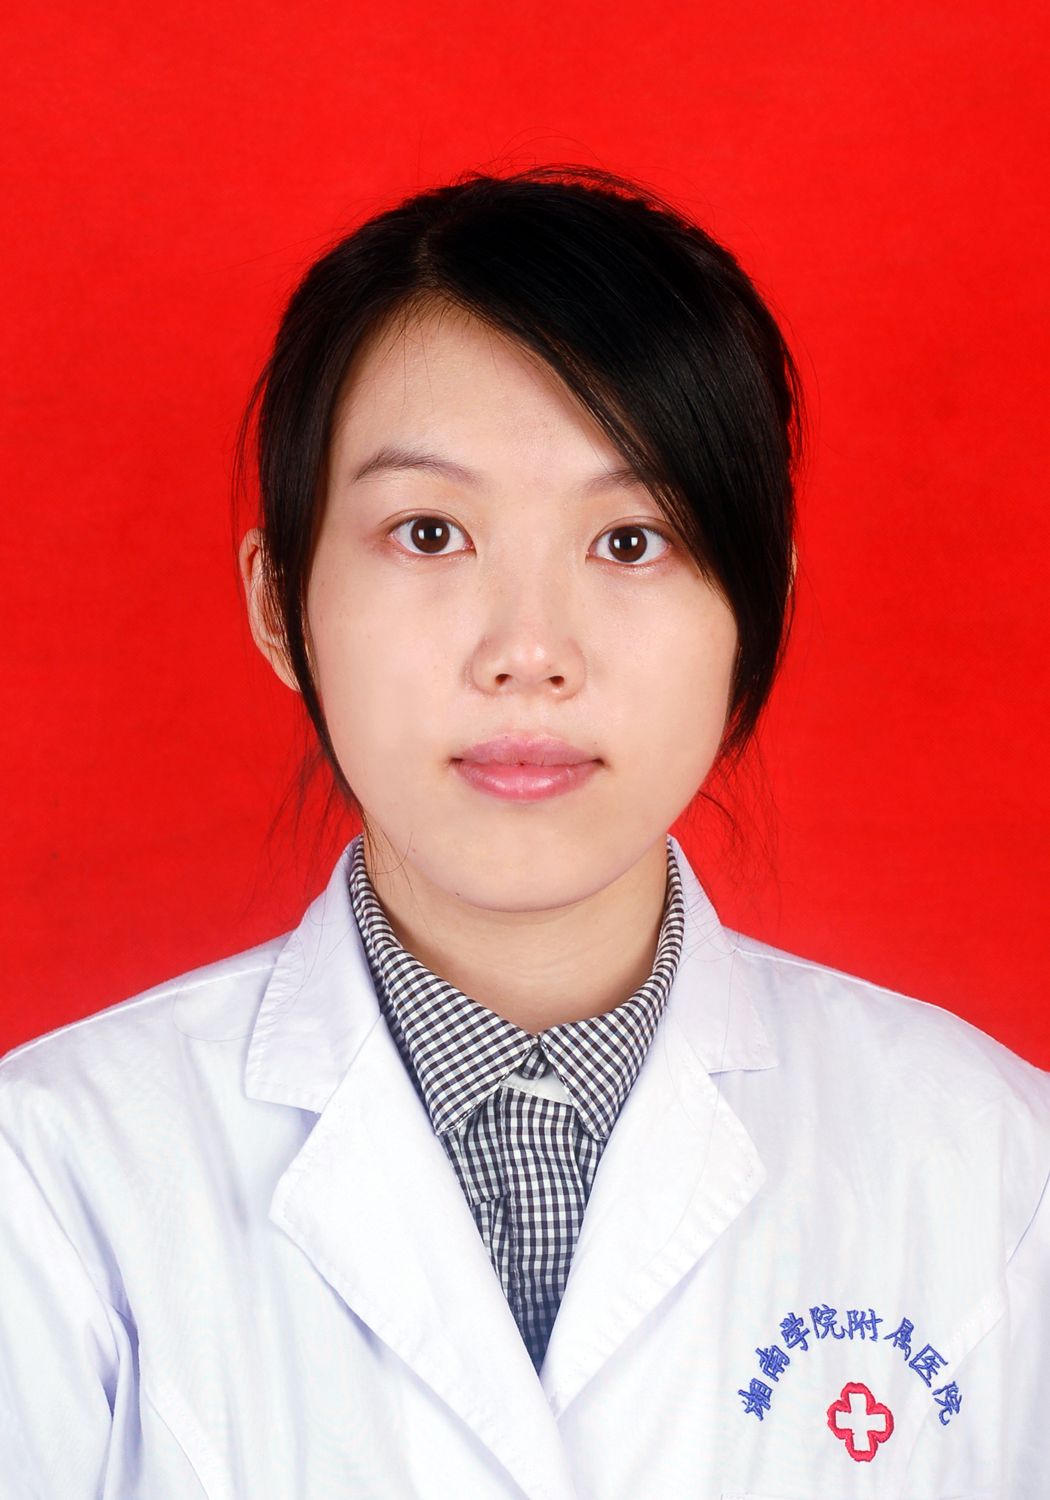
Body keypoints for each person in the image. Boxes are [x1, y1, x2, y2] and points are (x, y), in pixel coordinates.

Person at [0, 168, 1047, 1500]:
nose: (530, 652)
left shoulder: (993, 1170)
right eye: (430, 532)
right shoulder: (51, 1188)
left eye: (631, 541)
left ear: (759, 608)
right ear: (279, 604)